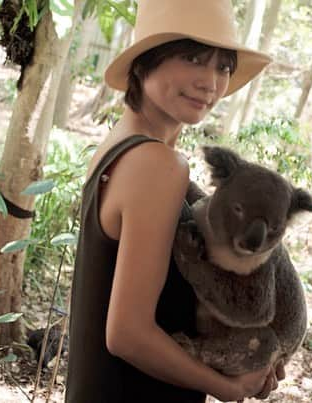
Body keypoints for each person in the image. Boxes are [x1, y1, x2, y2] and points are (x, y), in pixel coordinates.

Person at [66, 0, 284, 401]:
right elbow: (127, 333)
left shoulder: (122, 143)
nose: (211, 82)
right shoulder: (157, 164)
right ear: (145, 60)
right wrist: (228, 388)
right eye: (193, 57)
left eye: (223, 66)